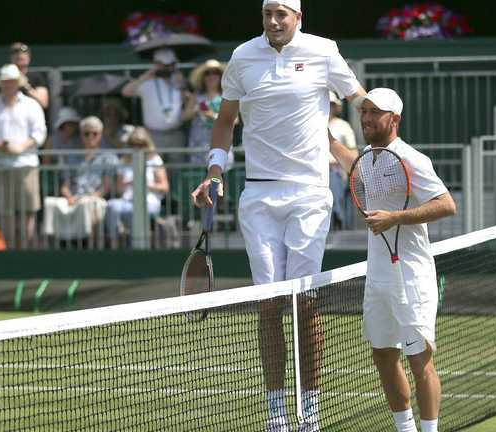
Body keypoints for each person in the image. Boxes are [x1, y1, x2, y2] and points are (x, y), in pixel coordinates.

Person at [190, 1, 366, 430]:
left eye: (281, 14)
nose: (273, 21)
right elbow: (225, 120)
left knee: (305, 302)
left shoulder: (324, 51)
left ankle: (310, 409)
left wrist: (373, 151)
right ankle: (276, 412)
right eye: (268, 13)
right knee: (268, 306)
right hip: (259, 197)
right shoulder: (242, 57)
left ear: (298, 17)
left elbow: (360, 100)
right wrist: (214, 171)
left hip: (309, 193)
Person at [355, 88, 456, 432]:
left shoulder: (411, 158)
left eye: (375, 112)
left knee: (419, 361)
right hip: (377, 277)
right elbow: (344, 161)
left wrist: (395, 217)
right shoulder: (366, 157)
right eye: (364, 110)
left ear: (394, 119)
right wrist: (320, 134)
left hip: (411, 276)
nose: (366, 118)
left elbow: (446, 204)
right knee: (383, 356)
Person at [0, 64, 47, 249]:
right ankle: (10, 250)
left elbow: (39, 134)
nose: (8, 85)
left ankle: (26, 250)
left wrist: (20, 147)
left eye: (12, 82)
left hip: (26, 165)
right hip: (1, 166)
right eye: (5, 82)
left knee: (28, 211)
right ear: (1, 84)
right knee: (5, 213)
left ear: (18, 83)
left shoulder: (31, 105)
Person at [43, 116, 116, 248]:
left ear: (101, 134)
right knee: (51, 203)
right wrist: (69, 197)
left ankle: (91, 248)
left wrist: (91, 196)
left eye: (95, 133)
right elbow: (65, 185)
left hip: (95, 198)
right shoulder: (71, 156)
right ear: (81, 135)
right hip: (73, 197)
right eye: (86, 133)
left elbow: (106, 187)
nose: (90, 137)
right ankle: (54, 248)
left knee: (87, 205)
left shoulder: (108, 156)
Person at [121, 48, 187, 164]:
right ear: (156, 65)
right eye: (163, 65)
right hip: (153, 135)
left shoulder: (179, 82)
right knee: (154, 167)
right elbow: (126, 92)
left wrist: (182, 84)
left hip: (176, 133)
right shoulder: (147, 83)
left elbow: (189, 99)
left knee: (177, 170)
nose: (167, 68)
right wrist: (146, 76)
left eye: (171, 65)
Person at [107, 127, 169, 247]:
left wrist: (146, 184)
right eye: (133, 144)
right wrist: (130, 183)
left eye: (141, 144)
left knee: (135, 212)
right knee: (111, 206)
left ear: (147, 144)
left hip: (149, 202)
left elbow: (164, 187)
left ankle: (137, 246)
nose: (137, 148)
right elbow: (119, 189)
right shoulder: (124, 161)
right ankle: (114, 244)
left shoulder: (155, 160)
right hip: (127, 200)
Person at [183, 59, 234, 168]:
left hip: (221, 144)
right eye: (207, 73)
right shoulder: (196, 97)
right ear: (203, 77)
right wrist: (196, 111)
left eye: (215, 72)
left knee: (220, 180)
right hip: (199, 145)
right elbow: (184, 117)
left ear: (220, 76)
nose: (211, 76)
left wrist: (213, 116)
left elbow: (235, 120)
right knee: (199, 182)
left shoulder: (227, 96)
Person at [328, 90, 357, 229]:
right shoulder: (306, 125)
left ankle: (336, 216)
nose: (328, 107)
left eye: (331, 104)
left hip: (337, 170)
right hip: (312, 171)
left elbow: (353, 152)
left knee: (333, 178)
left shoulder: (343, 126)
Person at [9, 42, 49, 110]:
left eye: (24, 53)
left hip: (30, 112)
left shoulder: (36, 76)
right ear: (11, 58)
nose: (19, 55)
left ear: (29, 58)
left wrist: (24, 86)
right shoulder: (5, 77)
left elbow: (44, 103)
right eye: (16, 53)